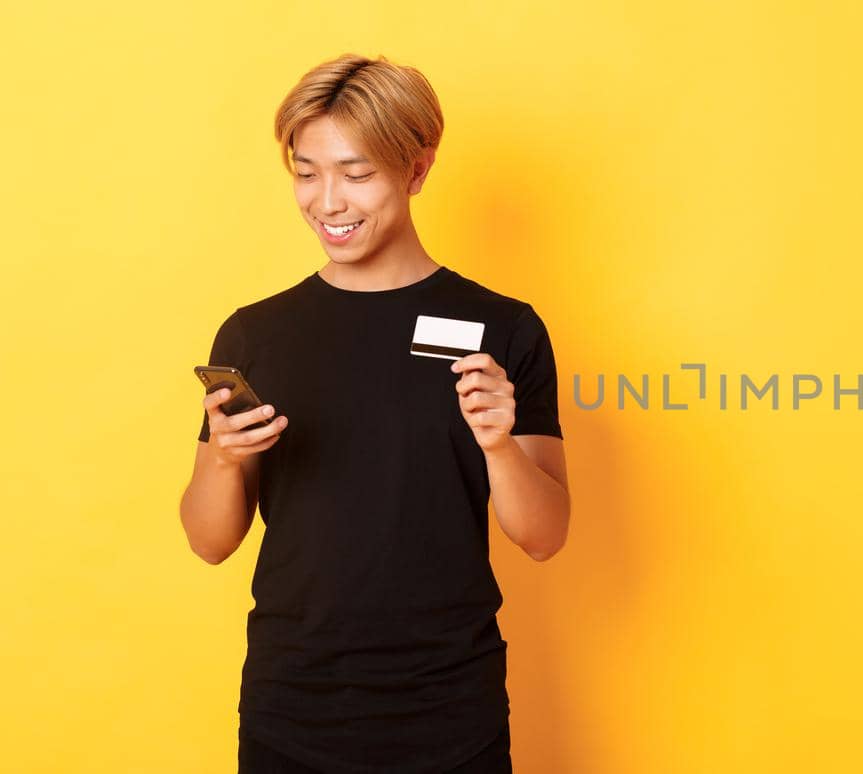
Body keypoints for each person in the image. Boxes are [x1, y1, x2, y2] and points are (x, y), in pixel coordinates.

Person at [177, 53, 571, 773]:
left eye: (356, 174)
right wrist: (228, 460)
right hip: (290, 707)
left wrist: (500, 447)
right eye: (307, 172)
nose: (328, 202)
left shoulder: (504, 330)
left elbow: (544, 537)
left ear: (417, 170)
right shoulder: (254, 335)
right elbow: (210, 541)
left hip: (452, 711)